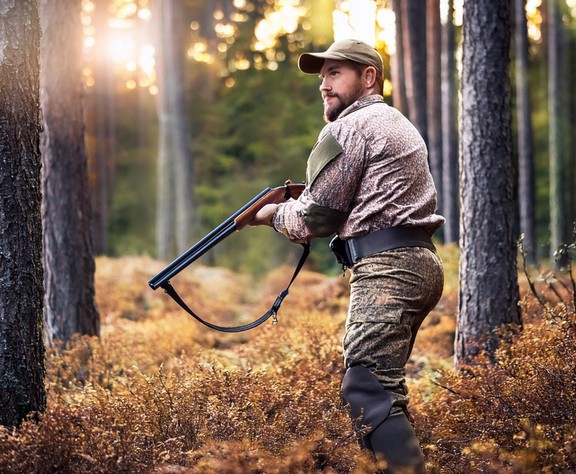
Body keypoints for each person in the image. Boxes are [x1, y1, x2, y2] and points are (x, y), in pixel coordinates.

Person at [250, 38, 444, 473]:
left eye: (335, 73)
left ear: (368, 77)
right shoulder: (395, 121)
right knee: (383, 387)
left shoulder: (348, 128)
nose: (324, 85)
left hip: (388, 268)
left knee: (365, 387)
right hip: (418, 263)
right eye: (323, 77)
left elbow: (315, 219)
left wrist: (269, 214)